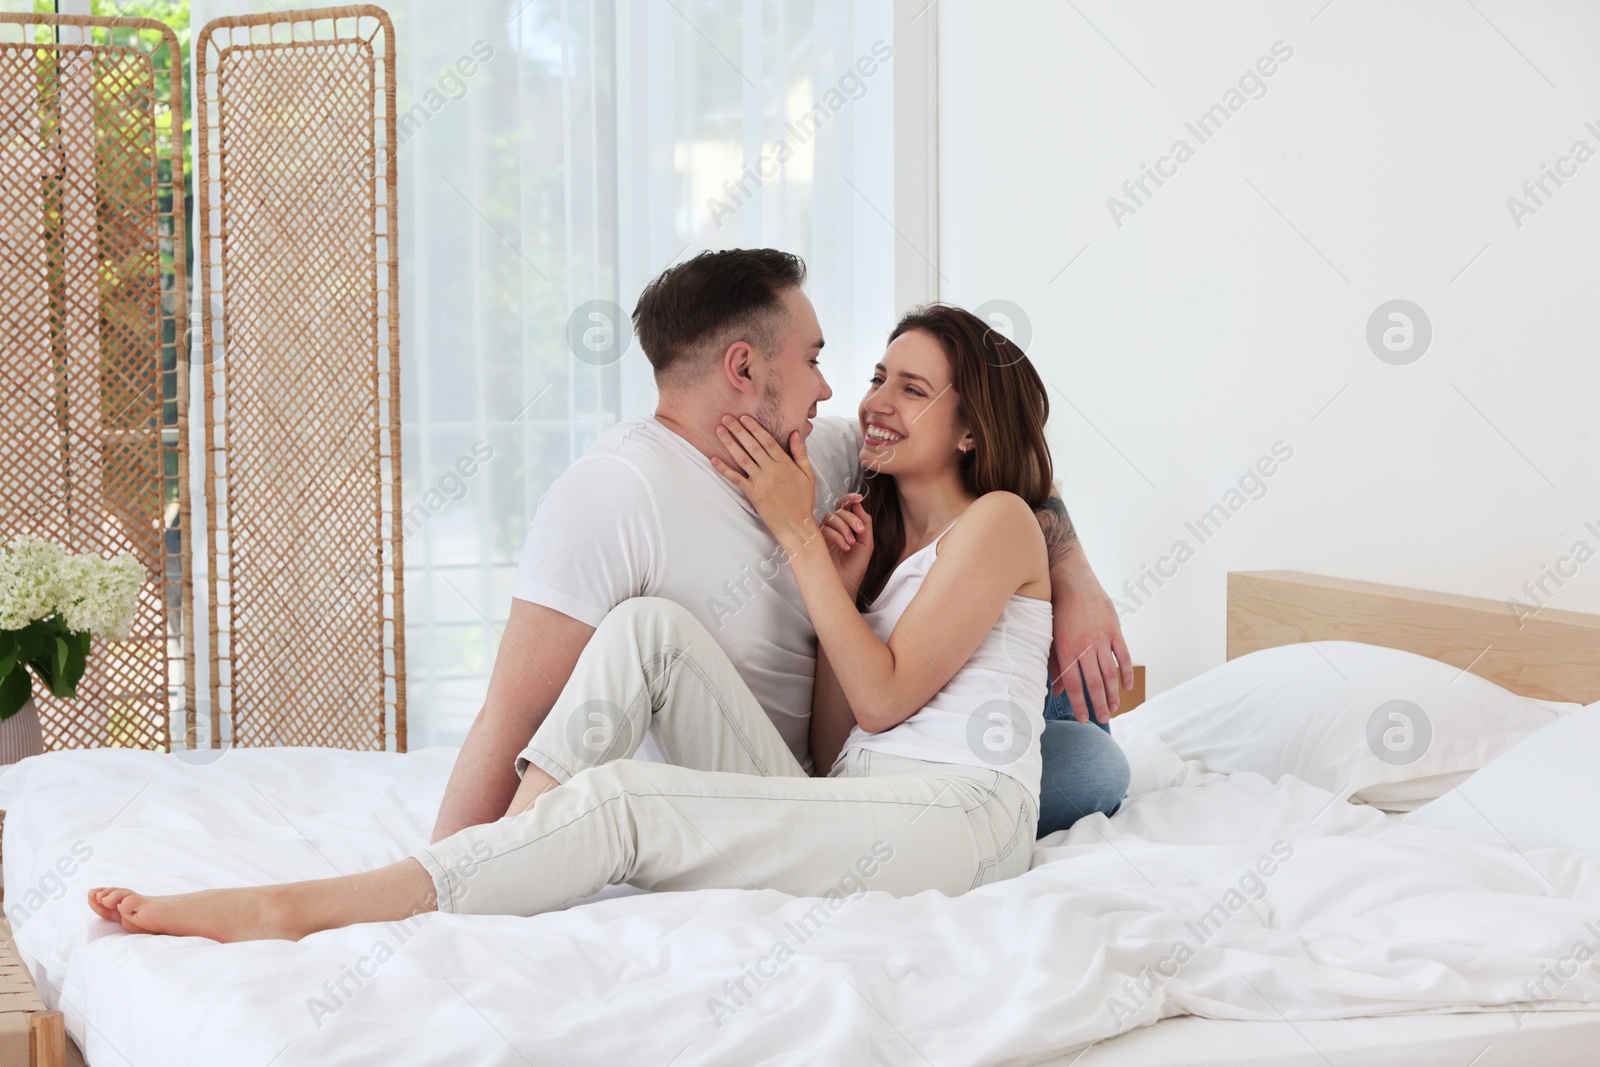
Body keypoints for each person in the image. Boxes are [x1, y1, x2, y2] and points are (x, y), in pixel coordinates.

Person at [84, 303, 1079, 941]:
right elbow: (837, 744)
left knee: (629, 803)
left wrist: (799, 541)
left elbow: (888, 691)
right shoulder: (876, 520)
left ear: (970, 427)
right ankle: (493, 864)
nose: (871, 400)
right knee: (648, 626)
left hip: (960, 821)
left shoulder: (999, 525)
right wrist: (841, 589)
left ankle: (296, 908)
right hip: (866, 800)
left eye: (912, 388)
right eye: (872, 376)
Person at [423, 249, 1128, 844]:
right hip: (802, 772)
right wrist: (454, 872)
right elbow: (512, 714)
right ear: (743, 366)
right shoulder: (611, 495)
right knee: (1093, 764)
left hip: (876, 741)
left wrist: (1075, 574)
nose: (834, 387)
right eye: (815, 358)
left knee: (1090, 750)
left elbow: (997, 465)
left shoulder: (821, 448)